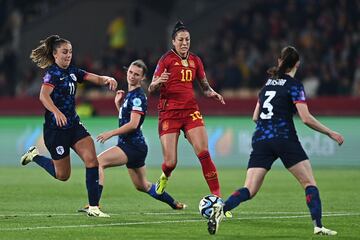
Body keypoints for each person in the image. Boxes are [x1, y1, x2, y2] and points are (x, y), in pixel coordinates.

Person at [207, 46, 344, 235]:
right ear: (297, 64)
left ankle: (221, 210)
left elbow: (255, 117)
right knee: (309, 183)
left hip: (261, 139)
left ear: (279, 61)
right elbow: (305, 118)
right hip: (284, 138)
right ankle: (318, 226)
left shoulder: (267, 85)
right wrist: (330, 133)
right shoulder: (295, 85)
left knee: (249, 189)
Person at [20, 35, 118, 217]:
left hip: (73, 125)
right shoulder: (52, 74)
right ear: (55, 55)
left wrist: (106, 78)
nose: (68, 55)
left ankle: (94, 207)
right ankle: (34, 156)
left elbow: (91, 77)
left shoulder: (73, 71)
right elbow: (44, 96)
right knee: (63, 175)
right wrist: (56, 112)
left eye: (70, 52)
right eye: (64, 52)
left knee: (92, 161)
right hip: (55, 130)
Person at [78, 60, 186, 212]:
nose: (132, 76)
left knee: (97, 163)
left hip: (131, 146)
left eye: (137, 74)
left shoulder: (137, 97)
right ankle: (174, 203)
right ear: (127, 71)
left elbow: (133, 124)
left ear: (142, 78)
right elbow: (127, 120)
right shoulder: (131, 95)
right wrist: (118, 105)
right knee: (142, 185)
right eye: (130, 72)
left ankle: (94, 205)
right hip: (136, 147)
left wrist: (111, 133)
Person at [148, 21, 225, 198]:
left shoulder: (196, 60)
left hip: (191, 111)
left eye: (187, 40)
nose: (184, 43)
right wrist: (158, 82)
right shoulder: (165, 60)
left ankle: (218, 200)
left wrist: (212, 93)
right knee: (171, 162)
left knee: (204, 154)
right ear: (173, 42)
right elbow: (151, 88)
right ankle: (164, 176)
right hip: (169, 113)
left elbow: (204, 87)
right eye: (181, 40)